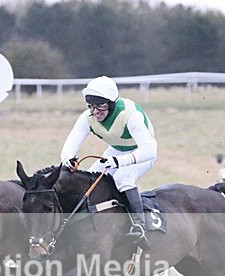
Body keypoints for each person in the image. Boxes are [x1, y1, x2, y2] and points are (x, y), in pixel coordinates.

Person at [60, 76, 158, 246]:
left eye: (101, 105)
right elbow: (70, 144)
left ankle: (139, 227)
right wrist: (67, 158)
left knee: (123, 178)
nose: (95, 111)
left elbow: (150, 149)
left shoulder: (130, 115)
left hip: (141, 154)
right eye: (91, 106)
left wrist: (121, 162)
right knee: (90, 180)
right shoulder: (87, 117)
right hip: (116, 151)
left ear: (111, 104)